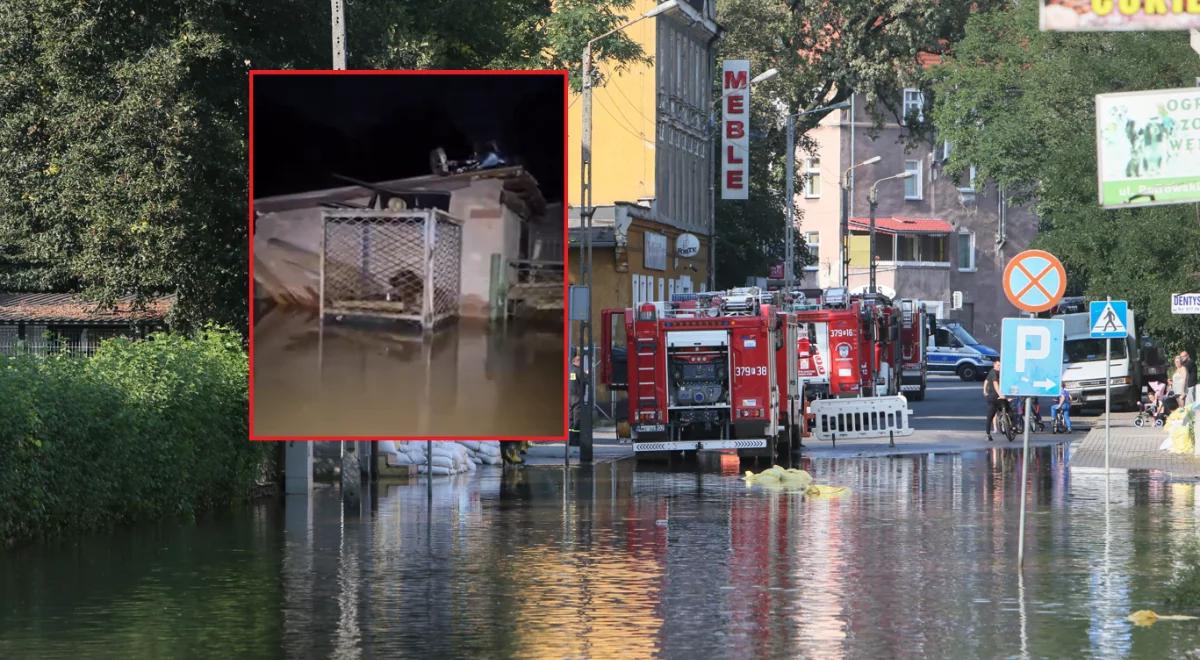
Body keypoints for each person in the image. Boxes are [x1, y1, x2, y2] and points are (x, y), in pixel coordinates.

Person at [983, 358, 1009, 441]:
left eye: (1001, 366)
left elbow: (986, 381)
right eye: (998, 365)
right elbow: (995, 384)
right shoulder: (994, 372)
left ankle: (988, 434)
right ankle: (988, 434)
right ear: (994, 365)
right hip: (995, 397)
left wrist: (984, 390)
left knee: (991, 415)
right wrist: (1001, 395)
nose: (999, 367)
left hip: (993, 396)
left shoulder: (993, 372)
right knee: (991, 415)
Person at [569, 349, 585, 447]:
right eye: (579, 361)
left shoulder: (568, 370)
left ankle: (570, 440)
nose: (581, 362)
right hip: (577, 398)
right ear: (575, 361)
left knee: (570, 420)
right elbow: (587, 379)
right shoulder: (579, 371)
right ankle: (576, 440)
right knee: (577, 420)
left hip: (569, 398)